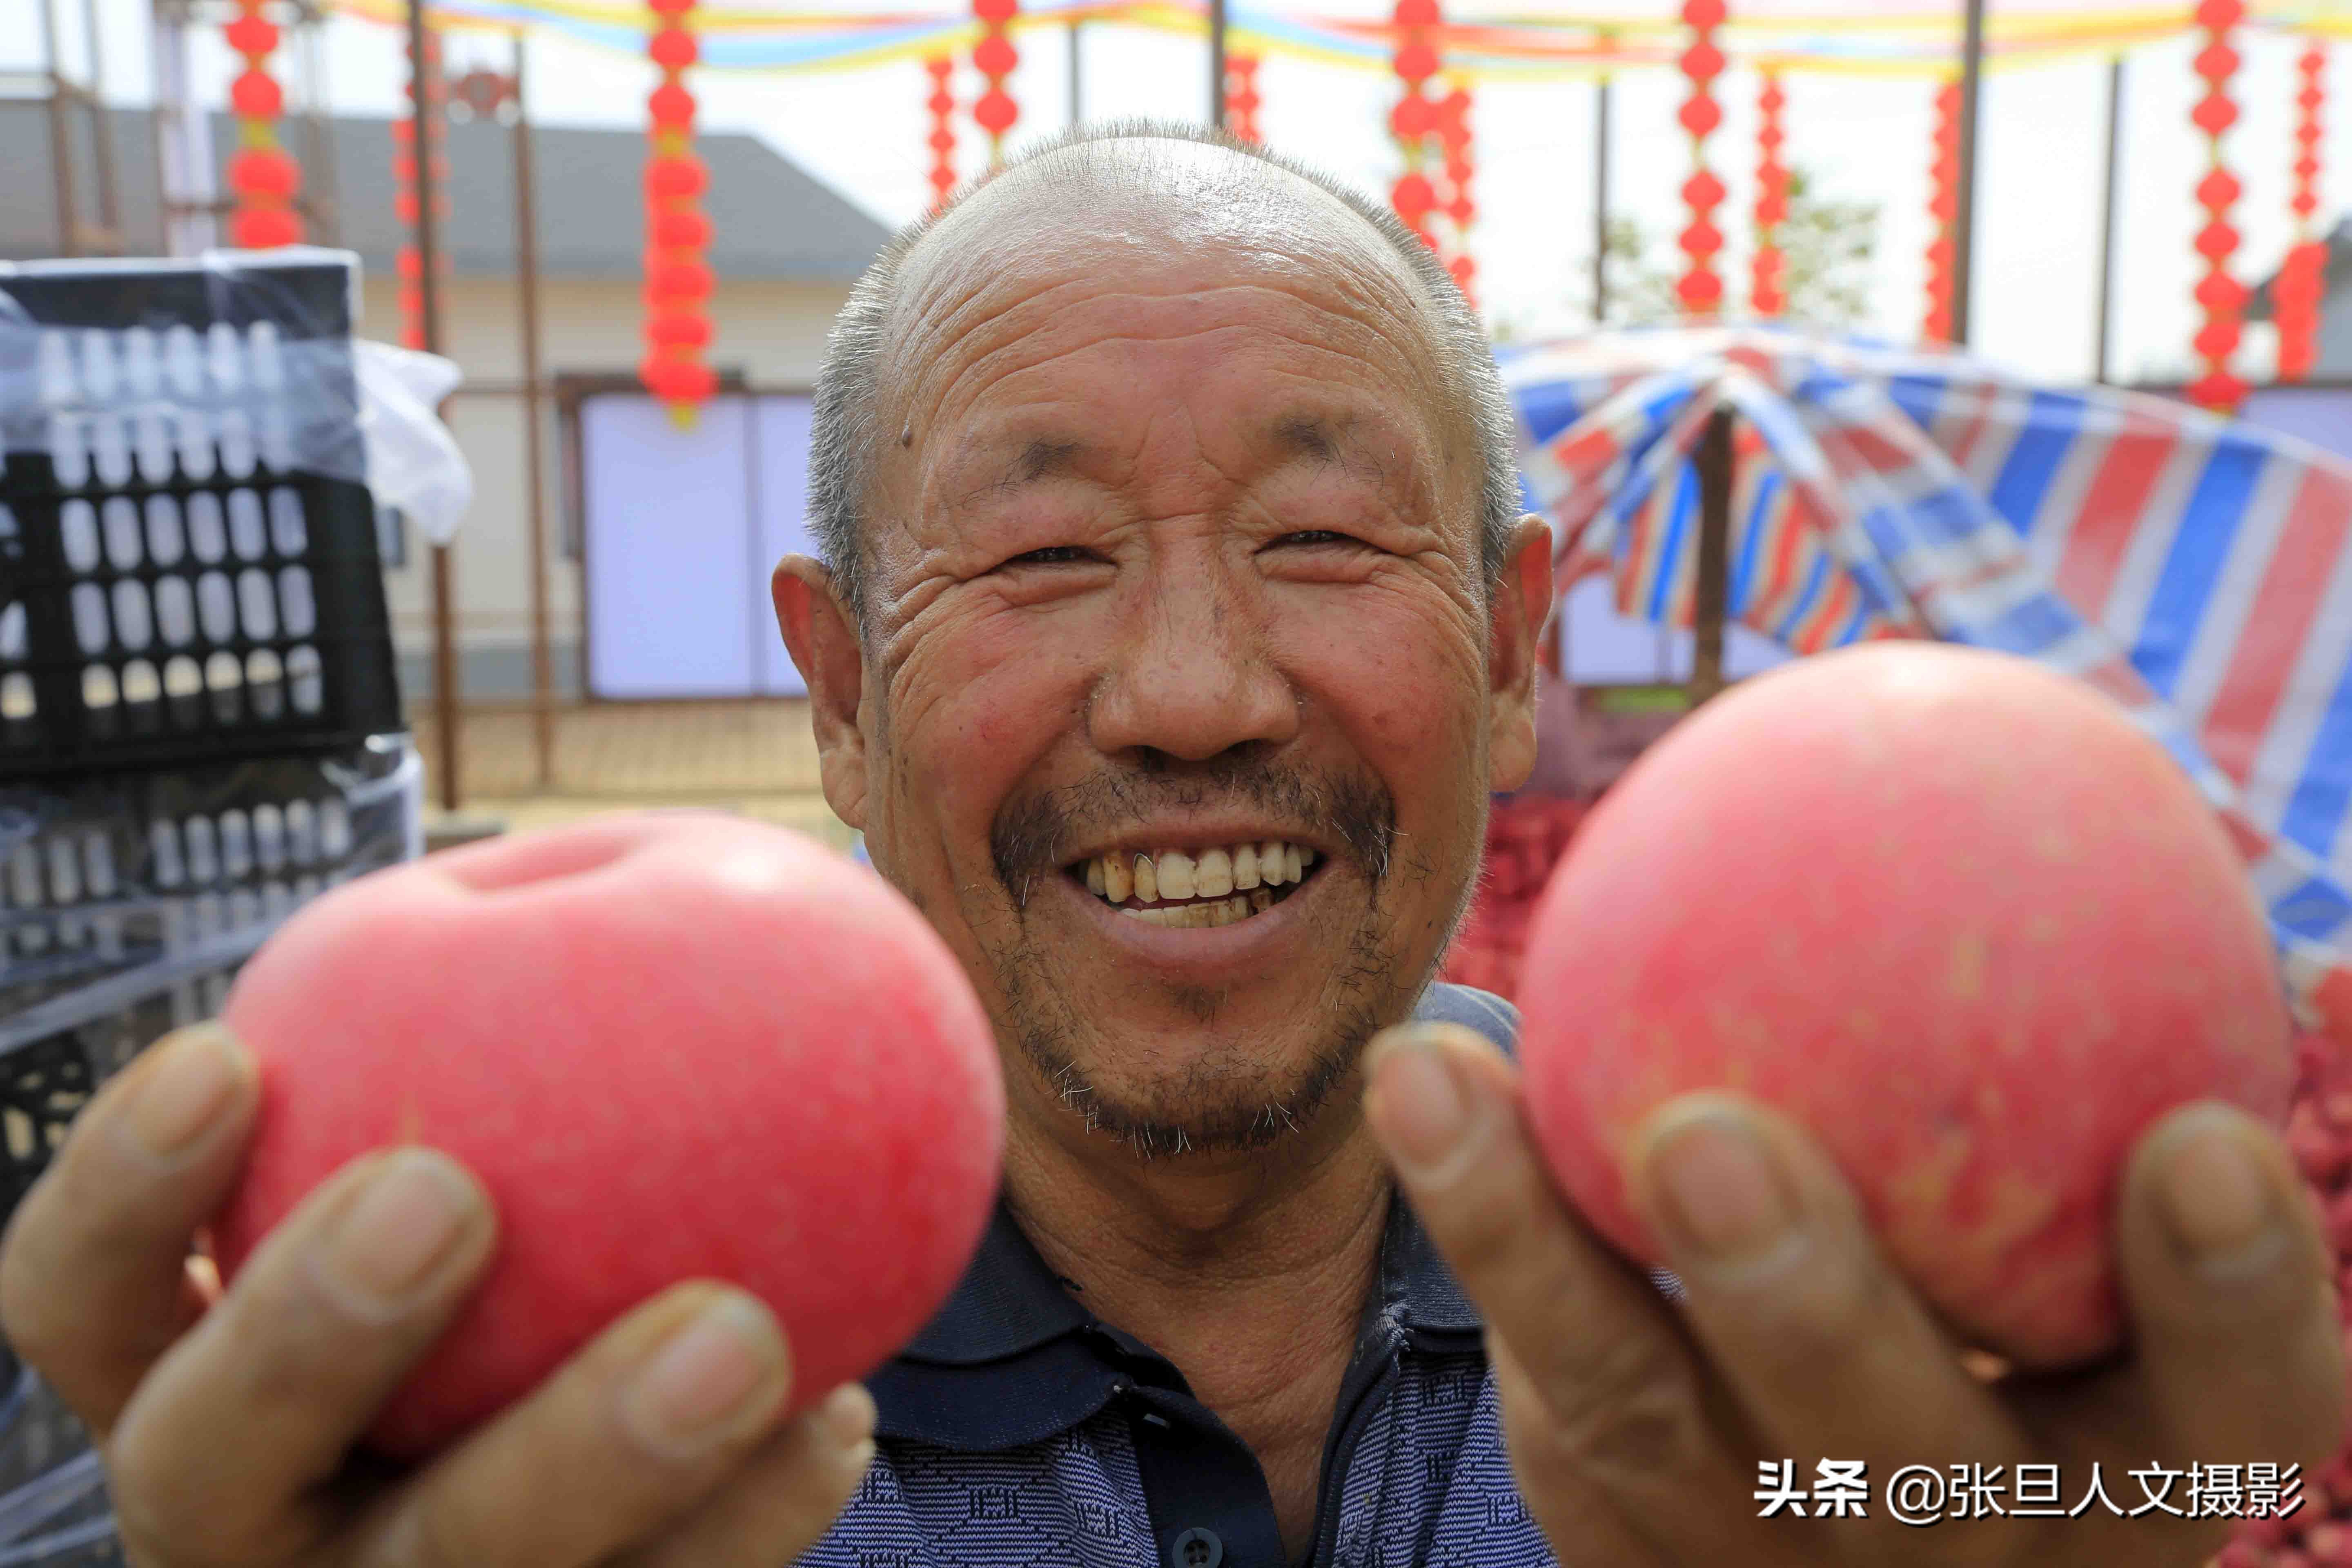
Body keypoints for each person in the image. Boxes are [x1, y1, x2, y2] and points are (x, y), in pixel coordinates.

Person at [0, 122, 2339, 1568]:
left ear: (1519, 644)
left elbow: (2081, 1508)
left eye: (1330, 537)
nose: (1199, 690)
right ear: (837, 687)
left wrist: (2072, 1524)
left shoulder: (1778, 1284)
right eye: (1036, 562)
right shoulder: (607, 1435)